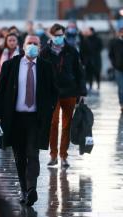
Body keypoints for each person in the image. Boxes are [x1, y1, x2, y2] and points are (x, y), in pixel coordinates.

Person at [0, 35, 56, 206]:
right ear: (23, 46)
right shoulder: (10, 65)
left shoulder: (46, 67)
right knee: (19, 157)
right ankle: (23, 189)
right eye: (30, 43)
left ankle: (31, 189)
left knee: (32, 153)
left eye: (36, 44)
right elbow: (0, 91)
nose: (32, 46)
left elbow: (53, 91)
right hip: (14, 118)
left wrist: (49, 110)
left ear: (40, 47)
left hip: (36, 119)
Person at [40, 23, 87, 168]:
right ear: (51, 36)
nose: (59, 38)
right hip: (51, 93)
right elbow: (40, 74)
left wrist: (82, 92)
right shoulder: (45, 52)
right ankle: (53, 155)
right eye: (56, 35)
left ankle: (64, 156)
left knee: (67, 125)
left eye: (61, 35)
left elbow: (79, 72)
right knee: (53, 124)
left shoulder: (71, 51)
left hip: (69, 91)